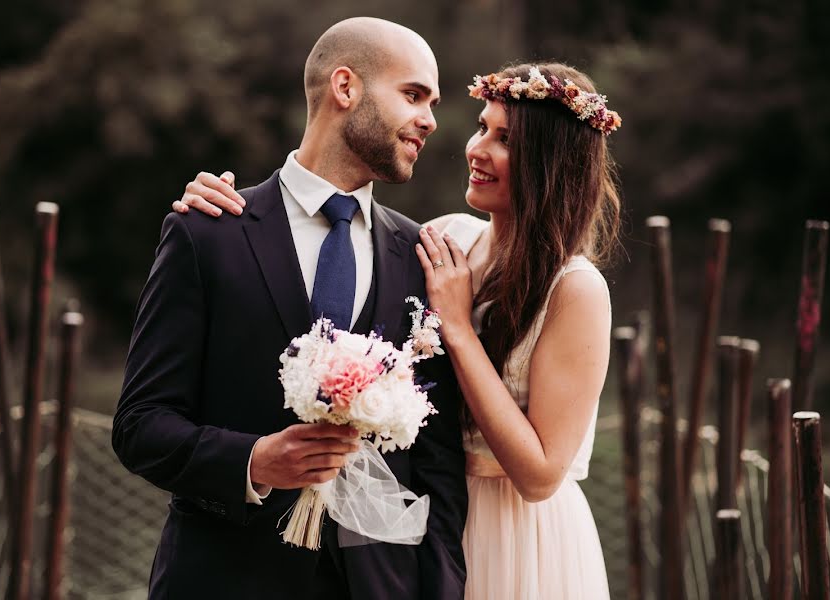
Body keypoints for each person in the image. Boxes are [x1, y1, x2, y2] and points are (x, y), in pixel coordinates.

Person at [177, 62, 621, 599]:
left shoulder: (575, 288)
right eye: (482, 128)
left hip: (520, 535)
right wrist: (221, 202)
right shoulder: (442, 241)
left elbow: (540, 475)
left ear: (552, 161)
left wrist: (457, 327)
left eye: (504, 139)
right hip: (424, 527)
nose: (476, 149)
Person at [113, 17, 468, 600]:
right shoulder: (207, 234)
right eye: (413, 95)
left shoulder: (421, 259)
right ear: (345, 88)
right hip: (224, 581)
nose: (429, 119)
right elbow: (140, 425)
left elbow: (438, 469)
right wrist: (253, 460)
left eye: (431, 102)